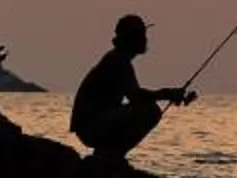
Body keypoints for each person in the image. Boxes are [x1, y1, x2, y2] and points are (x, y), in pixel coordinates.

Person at [70, 13, 190, 166]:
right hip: (91, 127)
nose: (145, 39)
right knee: (150, 111)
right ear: (131, 39)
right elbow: (136, 97)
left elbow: (134, 95)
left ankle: (108, 156)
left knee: (148, 109)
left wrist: (166, 94)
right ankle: (110, 156)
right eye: (141, 35)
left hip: (93, 124)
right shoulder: (118, 61)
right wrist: (167, 93)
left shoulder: (118, 59)